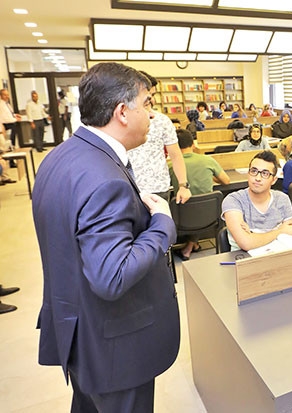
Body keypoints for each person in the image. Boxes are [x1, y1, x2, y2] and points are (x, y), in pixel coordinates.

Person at [31, 62, 180, 413]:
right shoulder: (105, 179)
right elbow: (112, 276)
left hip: (79, 334)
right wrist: (162, 225)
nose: (152, 114)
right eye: (146, 103)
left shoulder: (60, 156)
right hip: (115, 347)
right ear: (122, 112)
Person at [127, 71, 191, 203]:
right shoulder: (123, 120)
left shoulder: (163, 121)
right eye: (148, 95)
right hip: (131, 188)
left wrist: (183, 185)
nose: (152, 100)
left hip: (159, 188)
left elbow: (175, 155)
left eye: (154, 95)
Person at [170, 129, 230, 260]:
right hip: (209, 216)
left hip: (182, 218)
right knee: (199, 207)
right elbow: (226, 181)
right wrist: (209, 176)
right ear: (193, 144)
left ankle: (190, 246)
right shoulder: (207, 160)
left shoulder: (170, 165)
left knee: (190, 208)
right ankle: (193, 245)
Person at [221, 150, 292, 251]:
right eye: (254, 171)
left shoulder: (283, 199)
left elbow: (290, 235)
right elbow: (246, 243)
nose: (258, 178)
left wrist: (253, 235)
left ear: (274, 180)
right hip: (244, 258)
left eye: (265, 173)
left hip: (276, 255)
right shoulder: (233, 200)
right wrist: (279, 231)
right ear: (248, 173)